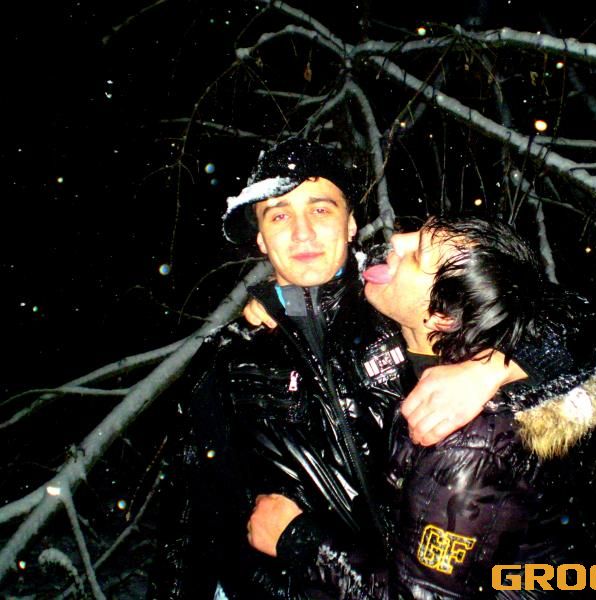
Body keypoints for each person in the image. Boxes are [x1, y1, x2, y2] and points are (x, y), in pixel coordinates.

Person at [150, 139, 538, 599]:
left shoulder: (405, 305)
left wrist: (501, 364)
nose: (302, 233)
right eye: (279, 216)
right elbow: (191, 522)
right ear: (260, 238)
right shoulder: (228, 361)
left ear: (351, 223)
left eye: (320, 209)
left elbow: (559, 322)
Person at [246, 216, 596, 598]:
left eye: (418, 254)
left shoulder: (471, 444)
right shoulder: (409, 330)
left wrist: (298, 540)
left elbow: (421, 595)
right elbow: (566, 307)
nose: (397, 239)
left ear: (442, 315)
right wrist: (284, 302)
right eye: (278, 215)